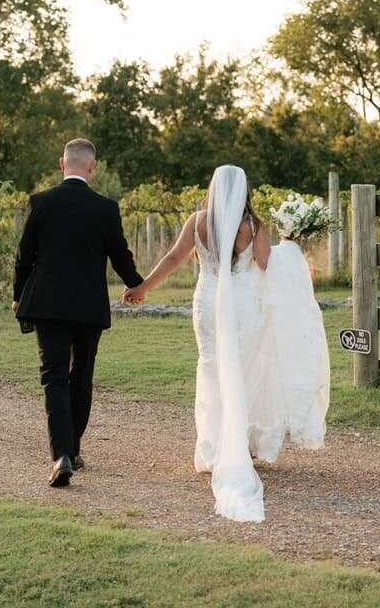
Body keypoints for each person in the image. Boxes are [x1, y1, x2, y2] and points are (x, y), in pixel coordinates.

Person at [124, 164, 328, 522]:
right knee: (243, 371)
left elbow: (173, 258)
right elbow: (267, 264)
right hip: (243, 305)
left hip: (208, 303)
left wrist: (143, 287)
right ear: (245, 189)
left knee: (213, 370)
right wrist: (293, 250)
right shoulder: (254, 226)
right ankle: (241, 447)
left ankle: (216, 447)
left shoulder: (198, 221)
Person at [13, 138, 144, 487]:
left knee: (53, 378)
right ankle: (73, 447)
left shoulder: (41, 202)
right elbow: (120, 255)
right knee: (81, 376)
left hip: (48, 305)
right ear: (92, 167)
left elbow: (25, 255)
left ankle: (61, 455)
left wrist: (17, 295)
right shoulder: (105, 208)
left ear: (62, 164)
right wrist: (137, 285)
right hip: (88, 307)